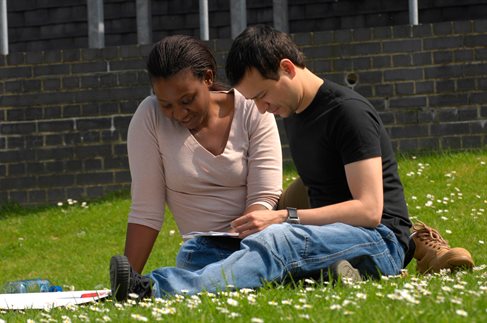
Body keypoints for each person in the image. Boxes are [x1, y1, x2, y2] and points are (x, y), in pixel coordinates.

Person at [109, 34, 355, 301]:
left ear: (208, 78)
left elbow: (265, 193)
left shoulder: (251, 105)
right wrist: (127, 281)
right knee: (201, 259)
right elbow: (147, 211)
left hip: (264, 233)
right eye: (166, 104)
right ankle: (318, 273)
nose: (178, 114)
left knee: (280, 239)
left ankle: (289, 268)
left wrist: (252, 246)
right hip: (206, 245)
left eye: (187, 100)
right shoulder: (149, 118)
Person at [224, 24, 474, 277]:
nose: (261, 109)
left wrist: (284, 217)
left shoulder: (348, 112)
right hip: (327, 235)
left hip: (379, 239)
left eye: (262, 95)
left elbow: (369, 211)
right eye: (253, 100)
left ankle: (187, 286)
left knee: (280, 239)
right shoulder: (293, 112)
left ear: (287, 68)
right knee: (210, 247)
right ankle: (339, 271)